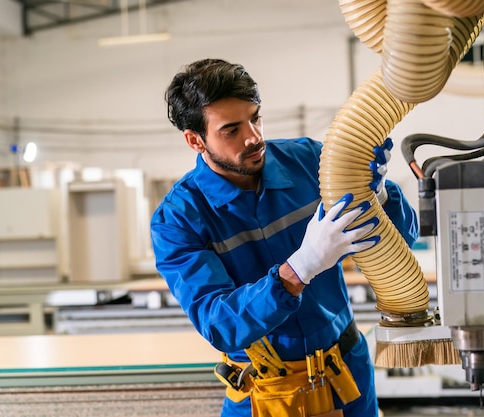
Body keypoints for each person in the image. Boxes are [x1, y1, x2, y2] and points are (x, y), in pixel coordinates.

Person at [150, 58, 419, 417]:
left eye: (255, 118)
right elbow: (220, 324)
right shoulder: (179, 219)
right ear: (195, 140)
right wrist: (301, 267)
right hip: (264, 390)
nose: (253, 137)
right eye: (231, 130)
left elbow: (402, 241)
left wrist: (380, 196)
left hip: (348, 373)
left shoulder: (310, 161)